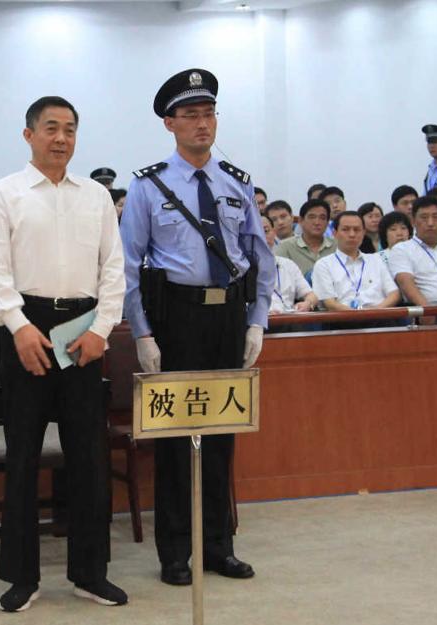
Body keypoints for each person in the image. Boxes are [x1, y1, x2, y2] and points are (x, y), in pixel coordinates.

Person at [120, 69, 273, 587]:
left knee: (222, 433)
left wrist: (256, 321)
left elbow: (260, 258)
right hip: (176, 319)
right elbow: (127, 265)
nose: (202, 124)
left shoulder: (236, 183)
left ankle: (218, 546)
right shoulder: (147, 187)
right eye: (190, 115)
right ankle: (176, 551)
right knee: (175, 438)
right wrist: (142, 333)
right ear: (170, 123)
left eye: (208, 113)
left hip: (227, 317)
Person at [0, 95, 127, 612]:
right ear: (29, 135)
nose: (60, 138)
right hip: (27, 330)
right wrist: (19, 328)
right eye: (50, 128)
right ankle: (22, 576)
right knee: (22, 456)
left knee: (89, 455)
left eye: (69, 129)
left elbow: (114, 269)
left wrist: (103, 329)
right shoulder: (4, 194)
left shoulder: (96, 197)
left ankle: (90, 572)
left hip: (84, 331)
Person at [312, 212, 399, 311]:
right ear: (335, 233)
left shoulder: (376, 260)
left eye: (357, 230)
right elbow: (329, 303)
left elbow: (394, 294)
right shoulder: (324, 264)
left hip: (378, 317)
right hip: (342, 320)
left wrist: (375, 311)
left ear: (363, 233)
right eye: (345, 229)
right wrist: (356, 315)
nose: (352, 234)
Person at [263, 216, 316, 315]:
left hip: (288, 320)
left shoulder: (288, 265)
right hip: (257, 324)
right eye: (256, 232)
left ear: (274, 232)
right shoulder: (242, 269)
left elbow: (311, 294)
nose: (262, 236)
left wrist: (307, 303)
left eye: (266, 231)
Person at [275, 199, 336, 283]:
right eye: (312, 217)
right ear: (300, 221)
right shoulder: (285, 247)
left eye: (322, 218)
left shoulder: (337, 246)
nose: (317, 222)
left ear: (327, 222)